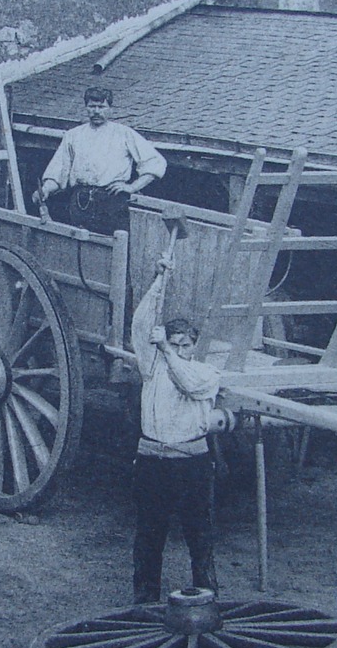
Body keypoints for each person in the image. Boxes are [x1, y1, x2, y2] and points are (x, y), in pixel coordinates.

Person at [130, 252, 221, 604]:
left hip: (192, 466)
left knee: (200, 538)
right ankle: (144, 605)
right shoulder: (151, 368)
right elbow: (140, 326)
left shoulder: (205, 374)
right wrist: (159, 281)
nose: (181, 350)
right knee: (148, 539)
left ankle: (209, 605)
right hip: (152, 464)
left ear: (194, 348)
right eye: (176, 343)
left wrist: (166, 348)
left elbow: (185, 382)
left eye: (187, 345)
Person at [34, 85, 167, 236]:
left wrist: (132, 187)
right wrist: (45, 189)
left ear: (110, 108)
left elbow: (155, 162)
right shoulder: (73, 135)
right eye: (92, 106)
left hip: (112, 202)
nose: (96, 111)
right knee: (80, 246)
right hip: (80, 202)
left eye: (102, 106)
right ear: (86, 107)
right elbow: (58, 171)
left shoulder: (124, 134)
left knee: (115, 246)